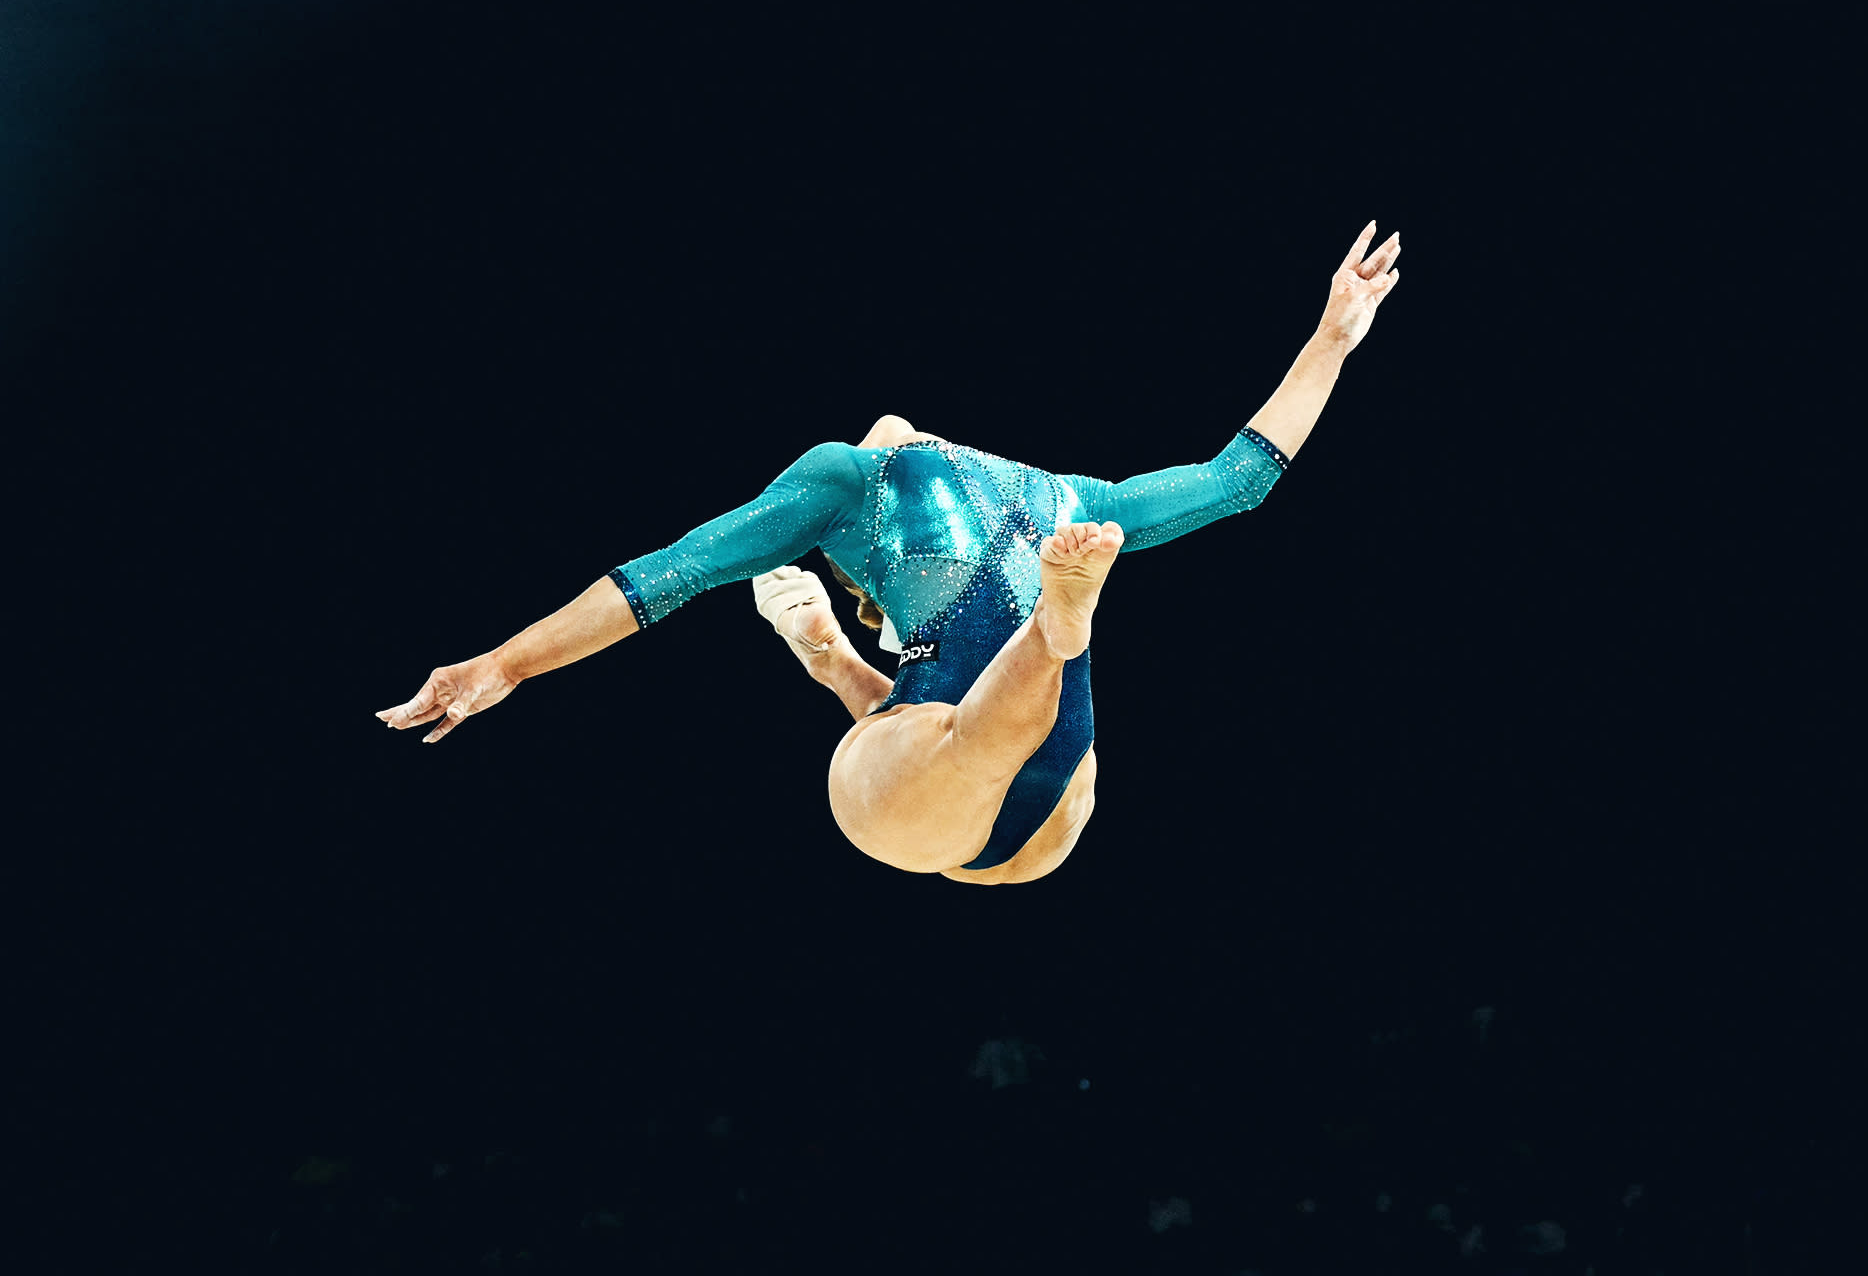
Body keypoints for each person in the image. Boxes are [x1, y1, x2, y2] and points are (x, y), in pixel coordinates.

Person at [377, 224, 1404, 884]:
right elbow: (666, 575)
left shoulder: (951, 489)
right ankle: (1053, 625)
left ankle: (1000, 634)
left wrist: (1334, 331)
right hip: (1035, 793)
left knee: (942, 737)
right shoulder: (939, 491)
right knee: (951, 736)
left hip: (992, 763)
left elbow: (1240, 478)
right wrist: (508, 660)